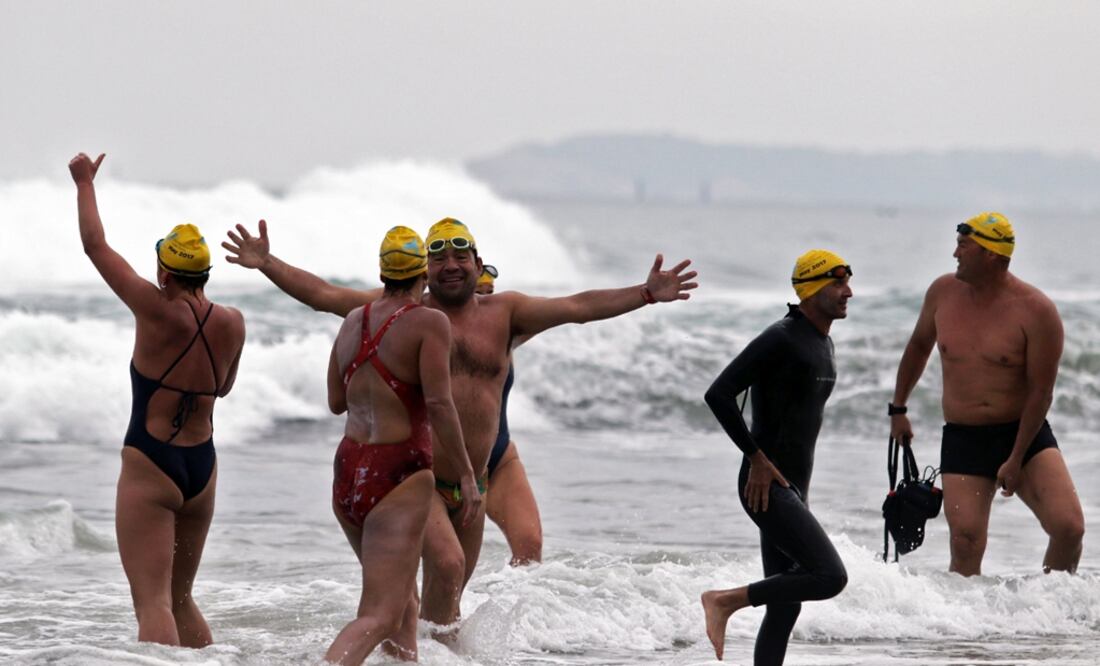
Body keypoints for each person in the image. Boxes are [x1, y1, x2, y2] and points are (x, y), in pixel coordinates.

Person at [222, 217, 696, 642]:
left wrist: (645, 293)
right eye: (438, 257)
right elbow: (325, 296)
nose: (450, 264)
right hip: (416, 477)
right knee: (444, 568)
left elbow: (576, 305)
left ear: (478, 262)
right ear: (422, 271)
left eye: (460, 255)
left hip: (476, 481)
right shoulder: (406, 314)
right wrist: (268, 263)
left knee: (443, 610)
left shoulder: (506, 313)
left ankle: (424, 657)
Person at [69, 153, 246, 647]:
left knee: (153, 604)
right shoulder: (233, 321)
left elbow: (94, 245)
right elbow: (224, 387)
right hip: (202, 467)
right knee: (182, 598)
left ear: (165, 273)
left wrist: (84, 182)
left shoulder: (153, 308)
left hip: (152, 463)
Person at [889, 212, 1084, 576]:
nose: (955, 254)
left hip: (1022, 433)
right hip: (964, 437)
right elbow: (918, 346)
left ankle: (1050, 615)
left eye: (964, 246)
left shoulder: (1036, 311)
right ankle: (968, 628)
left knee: (1068, 527)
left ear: (991, 255)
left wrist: (1016, 457)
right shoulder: (942, 292)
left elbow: (1041, 393)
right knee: (965, 542)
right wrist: (898, 408)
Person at [323, 226, 480, 665]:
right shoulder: (430, 322)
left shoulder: (354, 319)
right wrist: (467, 474)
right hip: (398, 472)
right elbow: (438, 402)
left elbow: (337, 401)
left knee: (404, 605)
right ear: (422, 276)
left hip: (349, 470)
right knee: (383, 613)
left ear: (382, 270)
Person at [700, 249, 851, 664]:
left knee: (786, 604)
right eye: (838, 284)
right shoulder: (781, 338)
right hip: (766, 485)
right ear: (813, 288)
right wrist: (756, 458)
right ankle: (725, 601)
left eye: (846, 283)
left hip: (793, 486)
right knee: (829, 577)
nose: (848, 292)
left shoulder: (822, 341)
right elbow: (718, 394)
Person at [476, 264, 542, 566]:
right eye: (479, 294)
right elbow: (331, 297)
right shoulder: (429, 330)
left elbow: (577, 308)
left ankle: (514, 614)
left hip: (498, 456)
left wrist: (644, 294)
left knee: (529, 547)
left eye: (490, 294)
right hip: (444, 465)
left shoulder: (502, 330)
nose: (487, 301)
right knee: (451, 564)